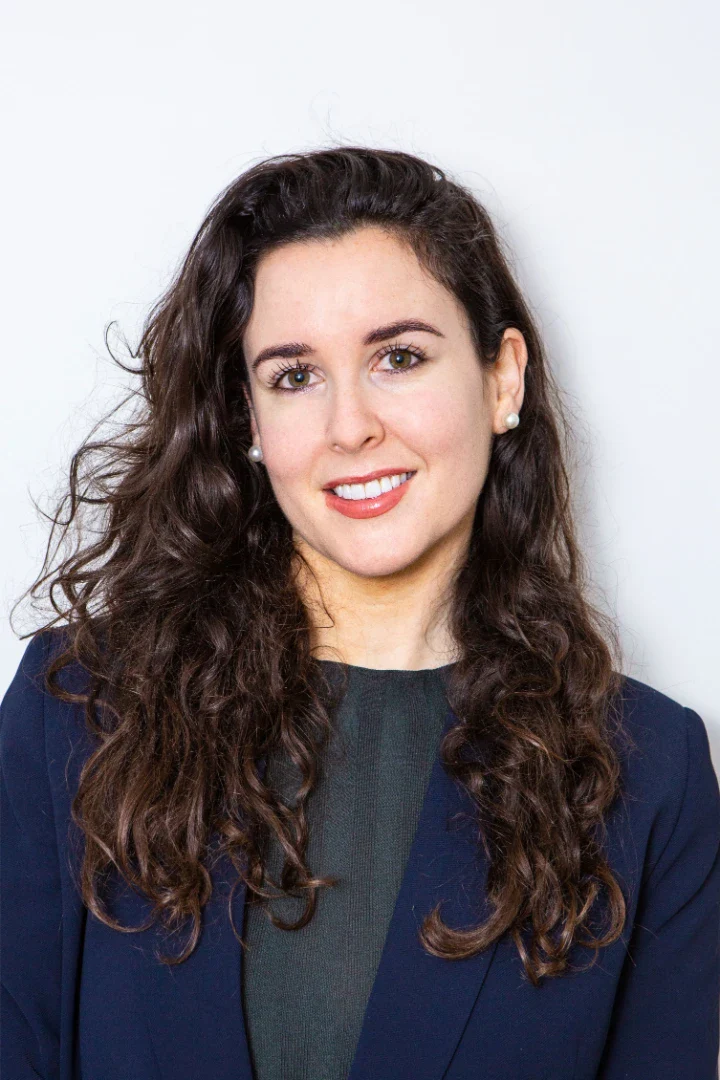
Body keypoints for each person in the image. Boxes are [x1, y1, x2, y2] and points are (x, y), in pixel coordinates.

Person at [1, 146, 719, 1080]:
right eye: (294, 376)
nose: (350, 427)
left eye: (399, 357)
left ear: (503, 380)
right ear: (249, 419)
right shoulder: (79, 712)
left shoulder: (650, 772)